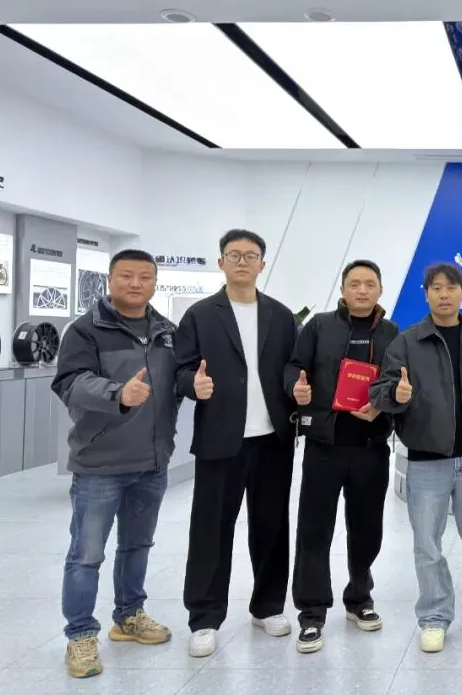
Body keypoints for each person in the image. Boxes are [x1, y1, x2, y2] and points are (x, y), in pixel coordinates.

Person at [369, 263, 462, 653]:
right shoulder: (407, 342)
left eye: (451, 287)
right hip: (425, 460)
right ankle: (433, 617)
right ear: (426, 294)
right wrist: (395, 395)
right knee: (427, 545)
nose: (444, 294)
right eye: (436, 288)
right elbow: (380, 391)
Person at [51, 249, 178, 678]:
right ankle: (80, 635)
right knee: (86, 554)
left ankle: (129, 615)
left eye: (145, 276)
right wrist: (116, 393)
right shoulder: (85, 329)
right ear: (110, 279)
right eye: (126, 275)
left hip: (152, 461)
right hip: (100, 463)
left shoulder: (166, 332)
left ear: (155, 282)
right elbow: (69, 383)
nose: (136, 283)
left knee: (137, 545)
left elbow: (177, 380)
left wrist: (193, 384)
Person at [174, 229, 299, 658]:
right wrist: (192, 385)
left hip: (272, 440)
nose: (242, 262)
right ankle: (204, 618)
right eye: (234, 254)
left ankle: (268, 606)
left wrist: (298, 390)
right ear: (221, 262)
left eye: (251, 255)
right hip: (220, 439)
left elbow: (293, 369)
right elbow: (180, 370)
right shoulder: (199, 315)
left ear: (262, 263)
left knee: (272, 527)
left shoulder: (282, 316)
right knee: (211, 530)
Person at [284, 259, 399, 654]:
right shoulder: (319, 326)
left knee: (367, 529)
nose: (362, 290)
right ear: (344, 289)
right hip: (324, 446)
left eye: (369, 284)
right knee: (314, 530)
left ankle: (359, 597)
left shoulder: (392, 333)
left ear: (380, 289)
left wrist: (382, 405)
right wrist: (295, 388)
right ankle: (312, 611)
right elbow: (295, 368)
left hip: (371, 446)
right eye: (355, 283)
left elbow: (400, 383)